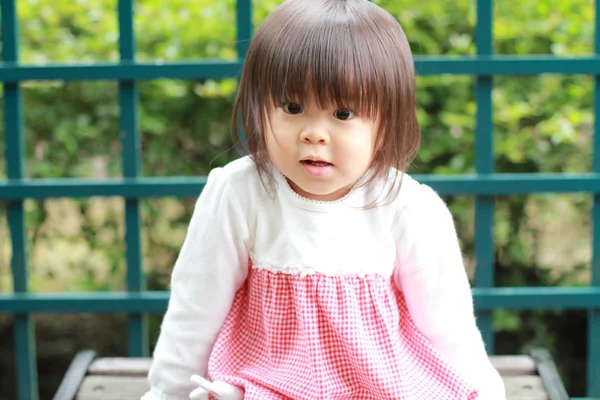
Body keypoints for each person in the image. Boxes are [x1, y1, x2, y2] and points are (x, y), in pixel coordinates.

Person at [142, 0, 507, 399]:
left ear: (386, 123)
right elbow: (196, 309)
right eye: (293, 107)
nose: (314, 133)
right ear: (259, 107)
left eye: (344, 113)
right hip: (270, 383)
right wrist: (167, 392)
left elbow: (448, 325)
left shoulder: (407, 205)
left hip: (376, 386)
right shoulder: (239, 192)